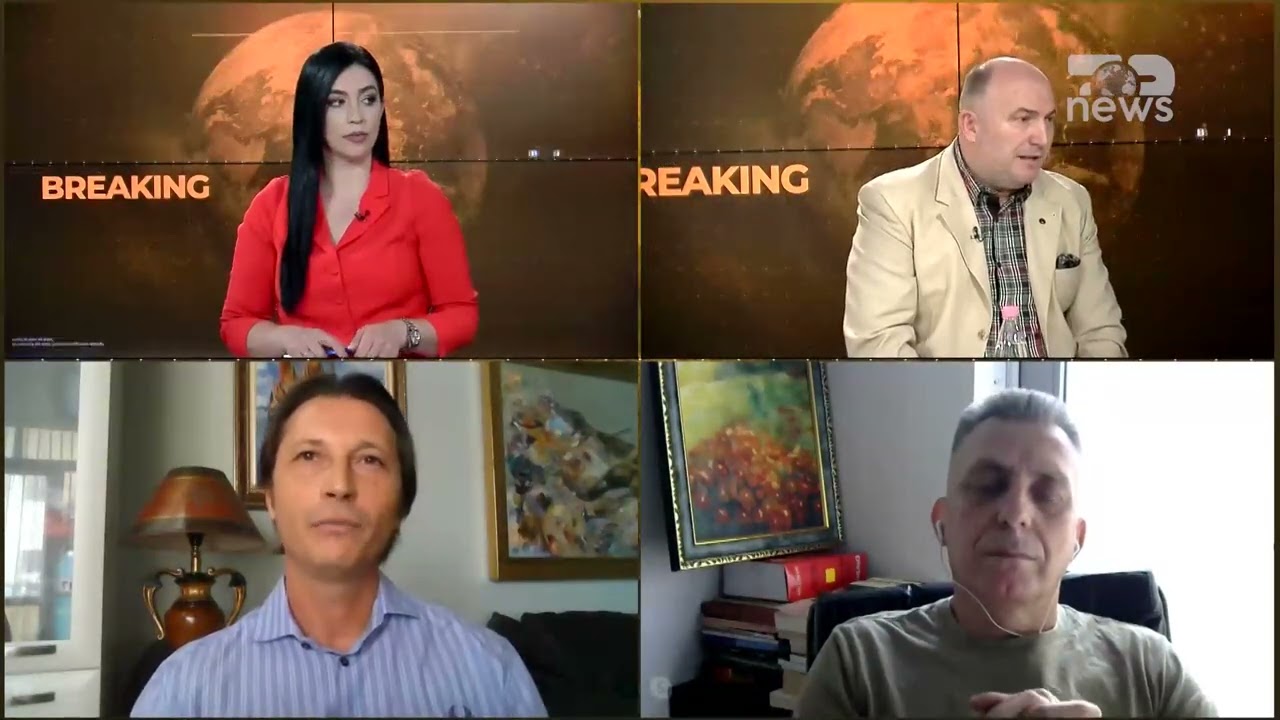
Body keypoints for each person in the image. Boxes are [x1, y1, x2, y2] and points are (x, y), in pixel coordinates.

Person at [132, 373, 546, 718]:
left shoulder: (489, 669)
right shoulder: (183, 688)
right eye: (309, 456)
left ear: (402, 504)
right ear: (271, 499)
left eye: (369, 460)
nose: (340, 486)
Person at [797, 389, 1215, 718]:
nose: (1015, 514)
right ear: (943, 522)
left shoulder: (1152, 670)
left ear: (1077, 539)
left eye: (1048, 494)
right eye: (987, 486)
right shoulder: (859, 663)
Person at [842, 57, 1126, 359]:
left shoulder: (1071, 200)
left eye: (1048, 120)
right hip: (949, 387)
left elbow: (1101, 333)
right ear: (971, 126)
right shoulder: (893, 203)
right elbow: (879, 344)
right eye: (1023, 119)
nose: (1042, 138)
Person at [220, 42, 479, 359]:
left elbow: (461, 315)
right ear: (313, 113)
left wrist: (403, 332)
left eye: (368, 100)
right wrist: (285, 338)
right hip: (307, 385)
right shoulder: (271, 205)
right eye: (337, 102)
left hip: (397, 383)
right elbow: (237, 324)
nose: (357, 117)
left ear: (381, 109)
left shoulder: (420, 198)